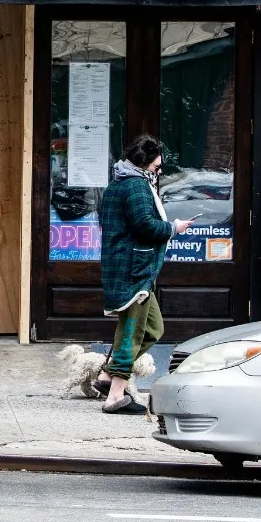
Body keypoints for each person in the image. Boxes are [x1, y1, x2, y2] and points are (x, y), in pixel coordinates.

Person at [94, 135, 192, 414]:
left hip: (132, 267)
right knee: (132, 331)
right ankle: (115, 395)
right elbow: (146, 226)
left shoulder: (121, 181)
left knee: (153, 328)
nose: (158, 173)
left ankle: (106, 377)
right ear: (143, 163)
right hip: (133, 269)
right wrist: (175, 228)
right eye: (156, 168)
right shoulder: (135, 186)